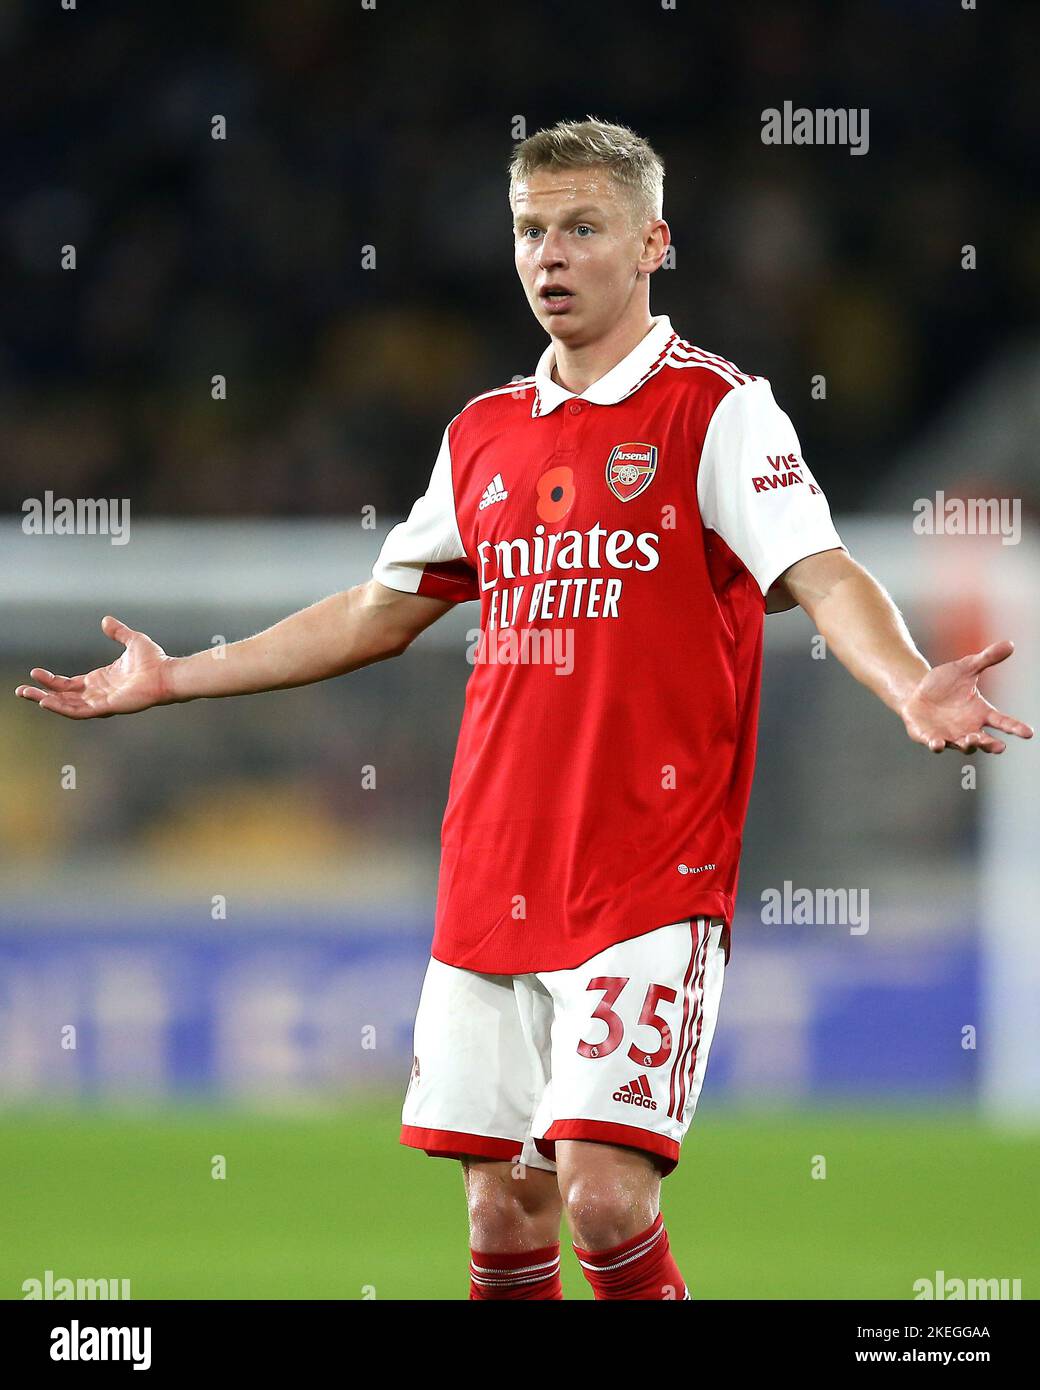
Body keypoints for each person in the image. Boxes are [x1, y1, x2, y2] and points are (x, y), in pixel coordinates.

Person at [15, 117, 1033, 1301]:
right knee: (501, 1214)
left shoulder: (719, 413)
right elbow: (375, 610)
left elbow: (821, 571)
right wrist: (180, 673)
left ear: (652, 242)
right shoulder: (482, 433)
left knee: (603, 1195)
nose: (548, 255)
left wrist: (906, 678)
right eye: (528, 230)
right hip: (490, 869)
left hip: (642, 878)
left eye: (581, 228)